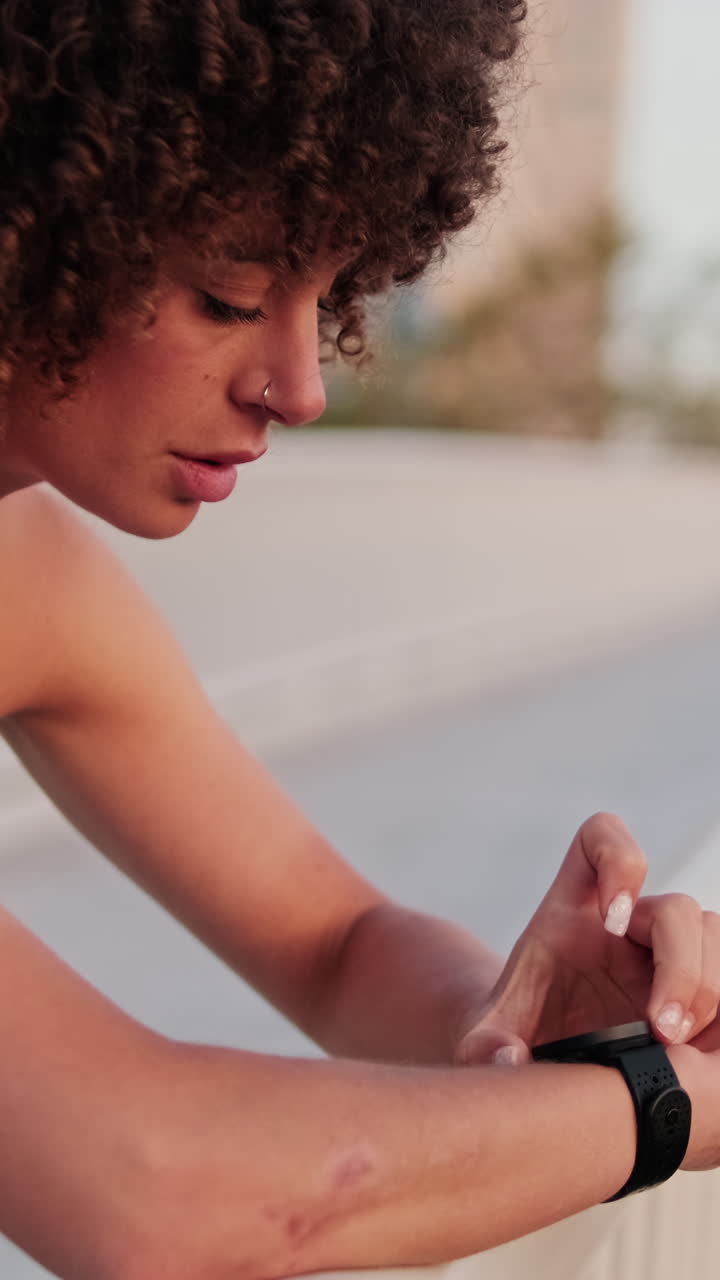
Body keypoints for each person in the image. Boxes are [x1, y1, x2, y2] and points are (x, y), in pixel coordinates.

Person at [1, 2, 720, 1277]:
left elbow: (335, 944)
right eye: (229, 294)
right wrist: (648, 1112)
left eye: (324, 297)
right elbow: (152, 1181)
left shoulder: (33, 577)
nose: (303, 384)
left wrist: (556, 1027)